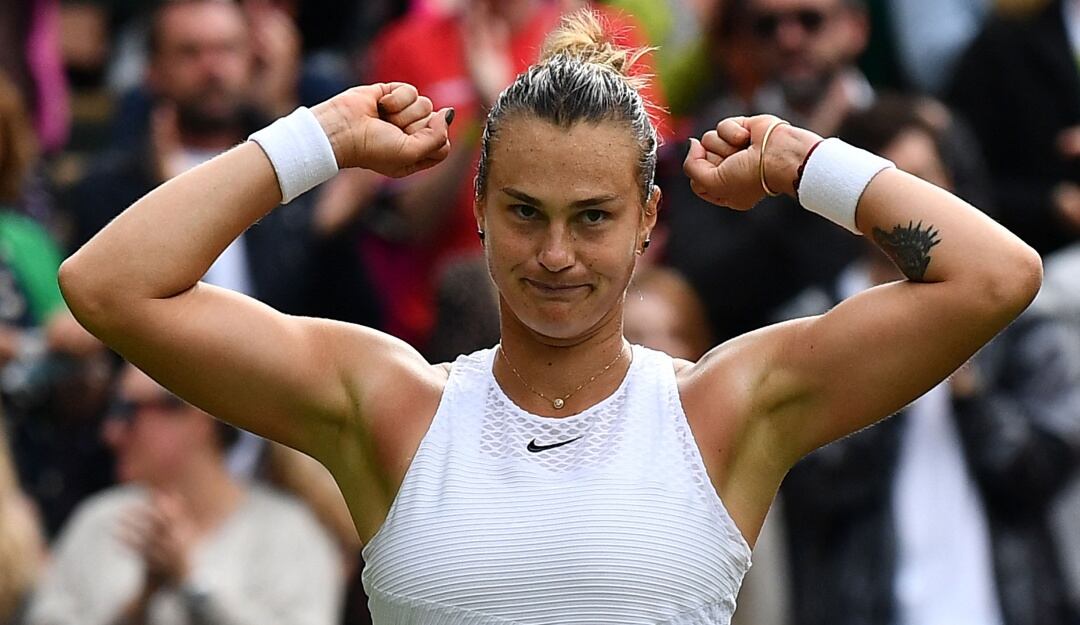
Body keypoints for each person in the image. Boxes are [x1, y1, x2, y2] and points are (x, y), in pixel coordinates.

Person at [57, 8, 1043, 623]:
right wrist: (315, 137)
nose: (557, 253)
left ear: (648, 219)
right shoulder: (388, 405)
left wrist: (798, 156)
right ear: (478, 210)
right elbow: (109, 285)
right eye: (525, 213)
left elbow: (996, 277)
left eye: (593, 216)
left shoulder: (730, 409)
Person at [774, 95, 1080, 625]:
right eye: (895, 189)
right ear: (851, 208)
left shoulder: (1021, 317)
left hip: (1009, 606)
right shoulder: (808, 325)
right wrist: (896, 362)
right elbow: (811, 487)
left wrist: (969, 385)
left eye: (925, 180)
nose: (913, 206)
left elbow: (1039, 472)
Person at [24, 362, 343, 625]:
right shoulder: (98, 522)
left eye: (128, 410)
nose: (111, 432)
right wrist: (141, 603)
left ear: (198, 414)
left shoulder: (288, 532)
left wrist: (194, 584)